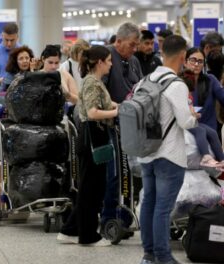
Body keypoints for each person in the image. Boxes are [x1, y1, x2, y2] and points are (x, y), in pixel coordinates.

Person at [138, 35, 198, 264]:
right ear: (183, 56)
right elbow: (185, 122)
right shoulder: (177, 85)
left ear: (162, 52)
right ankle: (163, 257)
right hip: (170, 155)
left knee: (149, 205)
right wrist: (193, 116)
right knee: (163, 209)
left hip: (146, 153)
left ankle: (148, 255)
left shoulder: (145, 80)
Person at [58, 45, 117, 246]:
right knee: (91, 190)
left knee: (88, 188)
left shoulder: (93, 82)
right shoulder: (92, 83)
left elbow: (100, 106)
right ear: (99, 62)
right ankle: (88, 236)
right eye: (108, 60)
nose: (111, 64)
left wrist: (116, 105)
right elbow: (93, 113)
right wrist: (117, 112)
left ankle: (70, 230)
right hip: (93, 137)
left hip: (91, 138)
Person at [102, 23, 143, 233]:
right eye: (132, 45)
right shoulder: (107, 59)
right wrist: (119, 108)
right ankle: (108, 218)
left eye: (137, 45)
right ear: (118, 41)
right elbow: (100, 95)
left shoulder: (134, 61)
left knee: (133, 173)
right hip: (110, 125)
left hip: (132, 126)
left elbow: (140, 88)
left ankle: (125, 218)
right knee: (115, 173)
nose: (135, 49)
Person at [180, 69, 224, 169]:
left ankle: (221, 159)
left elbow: (190, 109)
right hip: (183, 123)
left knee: (212, 132)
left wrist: (195, 114)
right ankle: (206, 157)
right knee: (200, 131)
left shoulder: (189, 95)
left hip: (191, 120)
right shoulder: (178, 95)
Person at [183, 47, 224, 131]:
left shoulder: (210, 80)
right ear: (185, 62)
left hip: (208, 132)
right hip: (185, 131)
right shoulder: (178, 82)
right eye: (193, 60)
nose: (196, 64)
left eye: (200, 61)